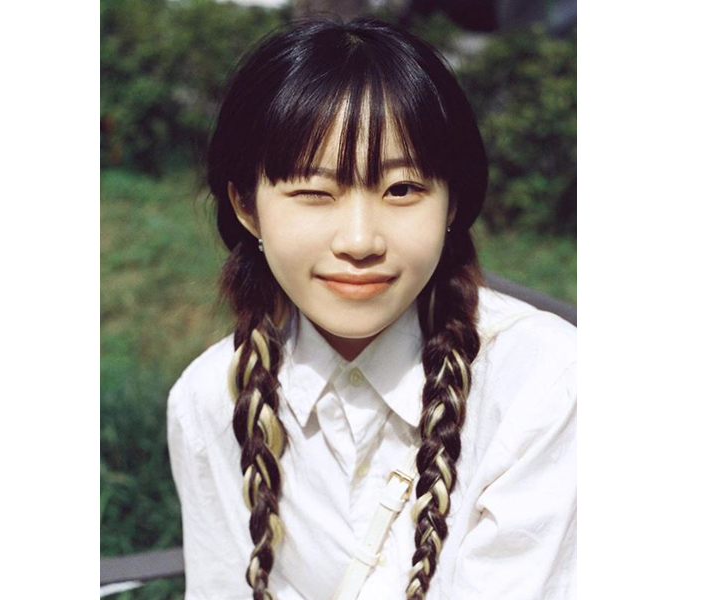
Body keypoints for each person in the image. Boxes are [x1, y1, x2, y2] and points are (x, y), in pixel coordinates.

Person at [166, 17, 576, 600]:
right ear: (247, 207)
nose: (359, 241)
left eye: (402, 190)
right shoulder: (209, 400)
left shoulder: (545, 385)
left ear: (452, 203)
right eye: (314, 192)